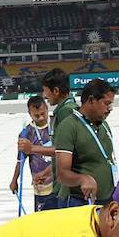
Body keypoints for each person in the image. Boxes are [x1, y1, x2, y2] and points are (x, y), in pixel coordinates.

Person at [52, 79, 119, 209]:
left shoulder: (104, 125)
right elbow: (62, 174)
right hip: (79, 203)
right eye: (107, 103)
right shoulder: (69, 126)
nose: (110, 109)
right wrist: (82, 179)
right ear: (91, 100)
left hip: (106, 201)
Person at [33, 69, 76, 207]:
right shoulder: (68, 109)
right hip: (62, 186)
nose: (45, 96)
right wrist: (46, 173)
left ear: (56, 90)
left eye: (46, 91)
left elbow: (63, 150)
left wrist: (32, 148)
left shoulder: (65, 112)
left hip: (66, 189)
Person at [8, 94, 56, 209]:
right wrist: (14, 180)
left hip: (60, 183)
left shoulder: (56, 124)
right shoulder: (27, 133)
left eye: (42, 114)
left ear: (47, 109)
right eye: (36, 115)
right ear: (30, 114)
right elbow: (20, 161)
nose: (40, 118)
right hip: (41, 185)